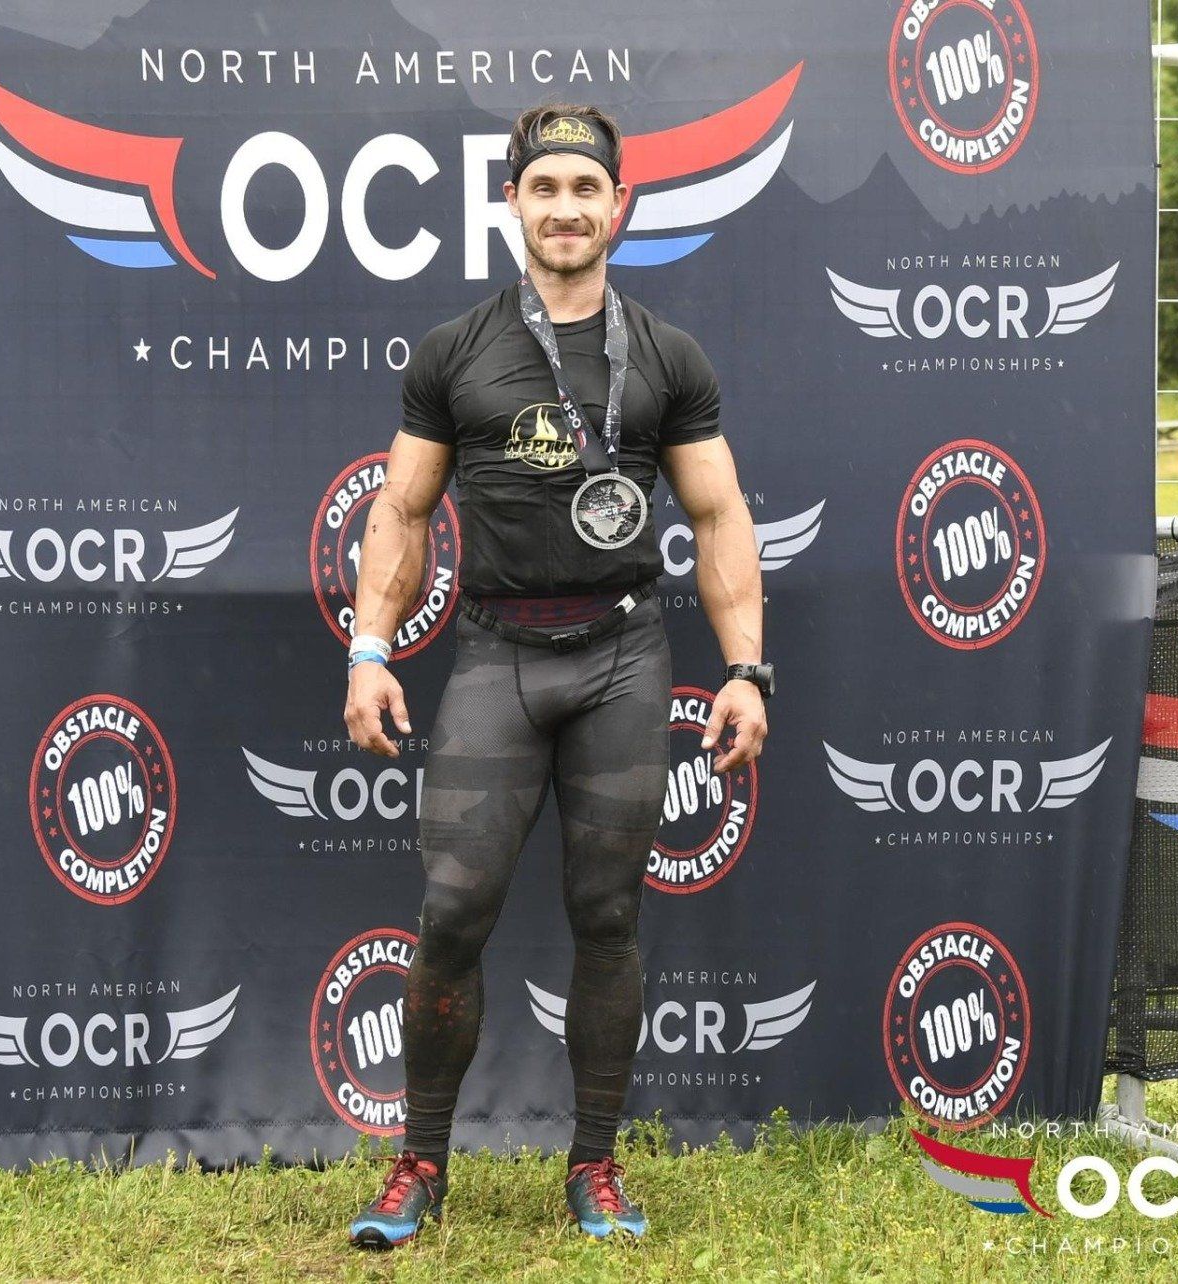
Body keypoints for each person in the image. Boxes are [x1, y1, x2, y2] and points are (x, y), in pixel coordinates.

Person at [340, 101, 774, 1248]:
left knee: (606, 916)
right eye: (546, 189)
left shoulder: (669, 355)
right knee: (452, 912)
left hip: (625, 659)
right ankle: (417, 1167)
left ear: (619, 205)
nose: (568, 208)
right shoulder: (455, 350)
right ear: (513, 203)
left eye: (588, 189)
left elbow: (721, 515)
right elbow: (402, 510)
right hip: (496, 655)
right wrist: (370, 651)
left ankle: (594, 1165)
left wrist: (748, 672)